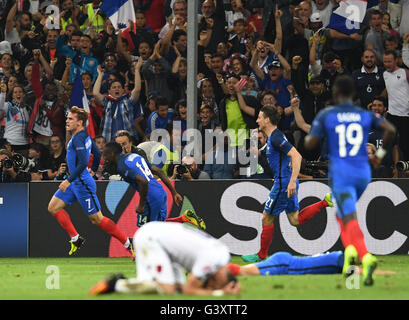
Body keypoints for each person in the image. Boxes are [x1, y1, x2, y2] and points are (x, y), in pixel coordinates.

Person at [304, 75, 396, 286]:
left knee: (348, 215)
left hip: (341, 174)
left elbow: (310, 143)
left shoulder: (328, 114)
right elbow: (391, 130)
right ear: (353, 94)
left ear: (335, 94)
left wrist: (315, 135)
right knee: (343, 213)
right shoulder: (365, 113)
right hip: (363, 173)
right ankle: (350, 258)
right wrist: (379, 157)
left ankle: (364, 256)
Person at [241, 105, 333, 263]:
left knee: (266, 217)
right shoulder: (275, 137)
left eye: (260, 117)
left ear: (267, 120)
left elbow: (296, 156)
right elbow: (286, 160)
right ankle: (325, 202)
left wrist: (290, 182)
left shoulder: (276, 137)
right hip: (285, 181)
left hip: (284, 184)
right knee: (295, 220)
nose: (257, 120)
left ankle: (261, 255)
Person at [47, 107, 135, 257]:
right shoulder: (83, 136)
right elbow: (95, 152)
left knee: (97, 219)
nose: (67, 121)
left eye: (70, 119)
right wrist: (93, 169)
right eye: (67, 118)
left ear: (80, 122)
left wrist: (68, 180)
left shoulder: (79, 139)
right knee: (53, 207)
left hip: (81, 184)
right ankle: (75, 238)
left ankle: (129, 243)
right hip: (76, 181)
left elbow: (82, 163)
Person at [89, 221, 240, 296]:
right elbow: (191, 289)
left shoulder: (222, 254)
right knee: (168, 288)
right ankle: (116, 284)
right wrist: (219, 293)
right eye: (216, 284)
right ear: (222, 277)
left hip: (161, 239)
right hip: (152, 239)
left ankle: (126, 283)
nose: (212, 285)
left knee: (175, 289)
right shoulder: (212, 259)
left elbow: (186, 288)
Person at [102, 141, 206, 230]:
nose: (104, 158)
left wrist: (142, 204)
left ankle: (142, 253)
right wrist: (174, 192)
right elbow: (158, 171)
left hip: (150, 198)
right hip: (160, 192)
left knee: (146, 231)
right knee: (158, 227)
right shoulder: (134, 156)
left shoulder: (122, 166)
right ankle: (184, 219)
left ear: (112, 153)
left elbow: (143, 181)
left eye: (105, 154)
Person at [228, 251, 396, 277]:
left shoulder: (339, 256)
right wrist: (388, 273)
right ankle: (210, 270)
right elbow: (360, 272)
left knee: (243, 271)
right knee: (242, 271)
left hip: (287, 262)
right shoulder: (341, 259)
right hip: (284, 264)